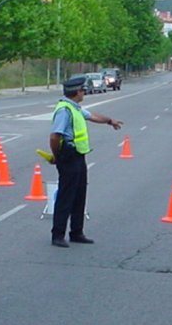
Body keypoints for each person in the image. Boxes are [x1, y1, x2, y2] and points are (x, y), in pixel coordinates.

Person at [49, 76, 123, 248]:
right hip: (68, 156)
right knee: (66, 196)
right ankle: (57, 235)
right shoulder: (64, 110)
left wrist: (109, 121)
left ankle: (76, 232)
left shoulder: (75, 108)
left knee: (79, 195)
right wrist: (57, 156)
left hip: (78, 155)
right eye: (82, 90)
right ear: (76, 92)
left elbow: (92, 116)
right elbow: (54, 136)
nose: (84, 92)